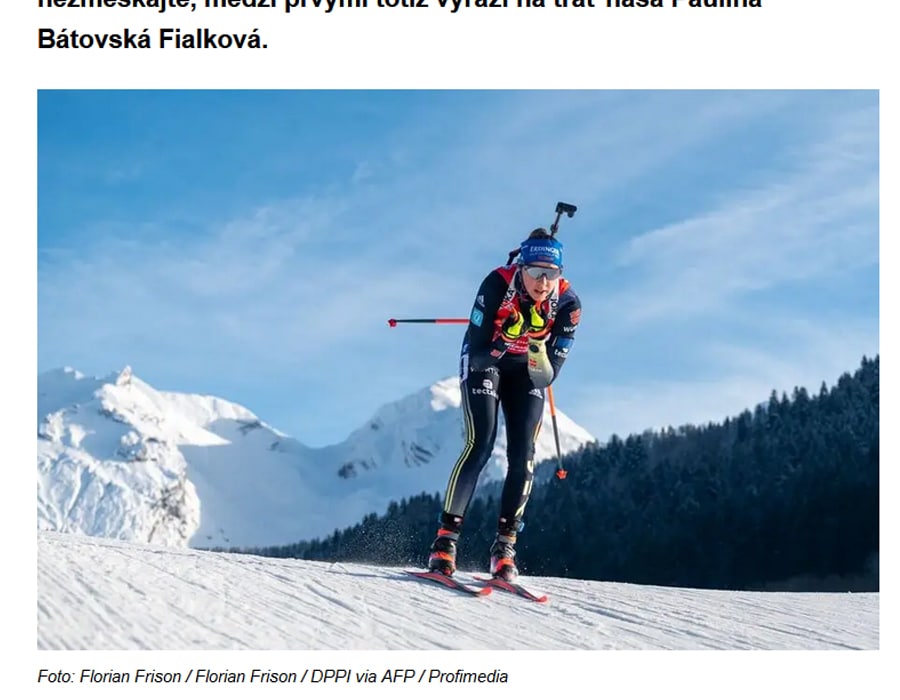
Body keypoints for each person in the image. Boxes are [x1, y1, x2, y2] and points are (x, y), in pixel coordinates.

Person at [427, 227, 582, 581]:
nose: (543, 283)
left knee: (523, 453)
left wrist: (536, 345)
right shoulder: (496, 285)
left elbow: (545, 378)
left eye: (551, 274)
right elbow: (480, 357)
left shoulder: (569, 305)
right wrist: (507, 337)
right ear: (520, 269)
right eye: (535, 273)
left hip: (527, 369)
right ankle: (445, 542)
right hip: (488, 361)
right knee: (480, 443)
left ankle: (505, 547)